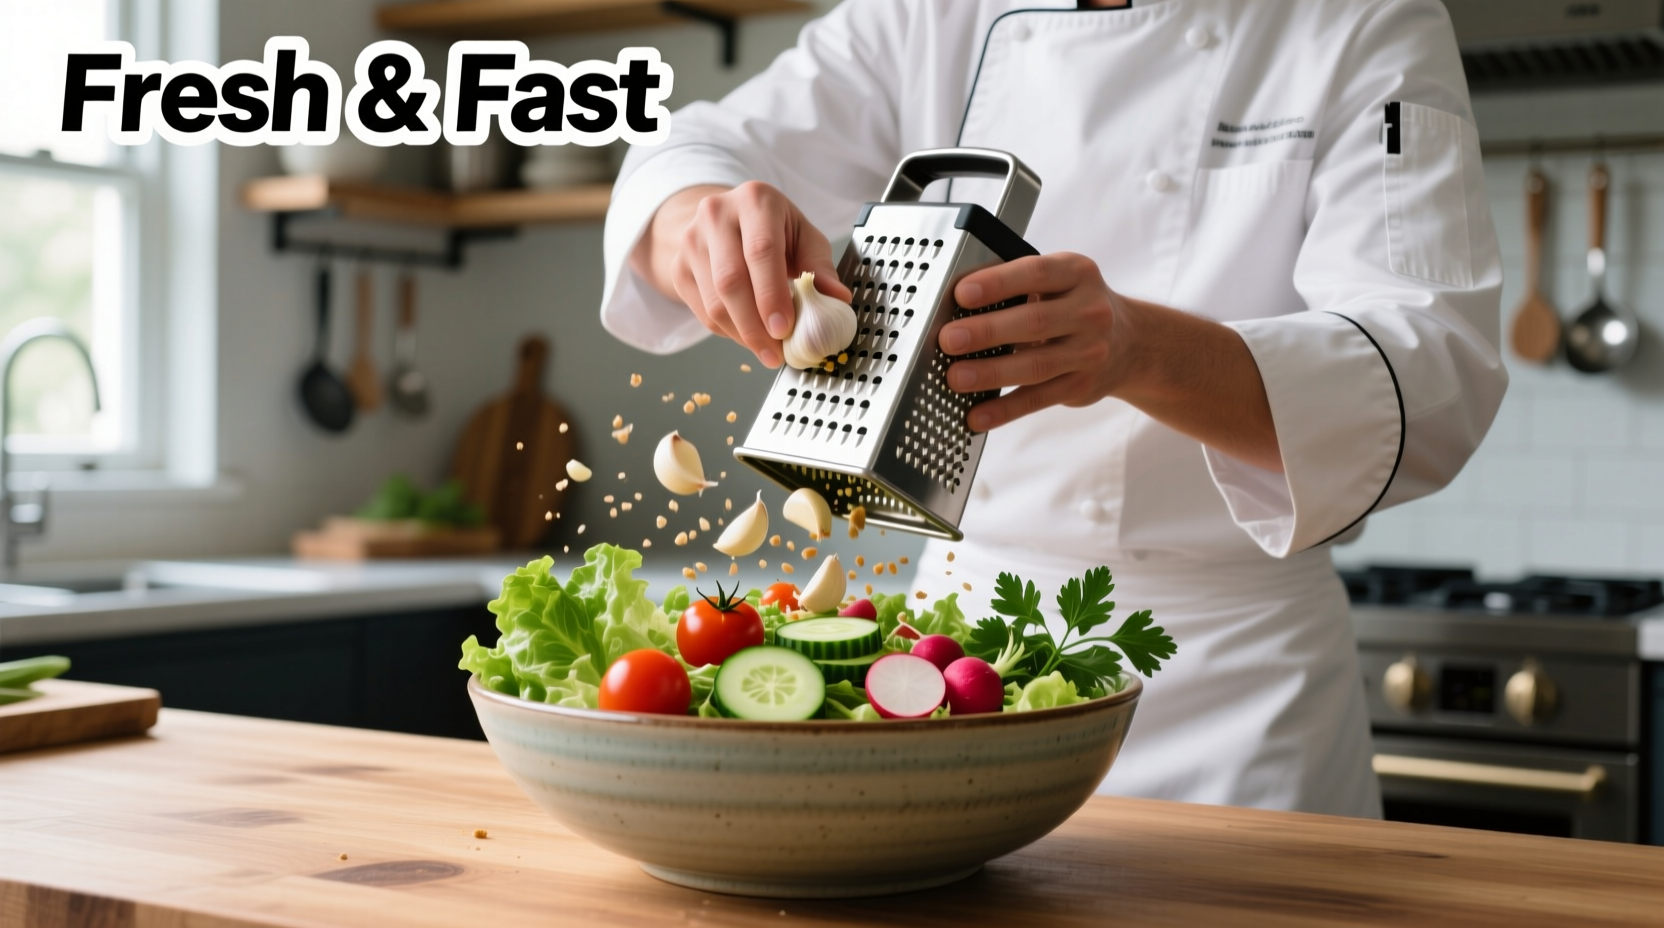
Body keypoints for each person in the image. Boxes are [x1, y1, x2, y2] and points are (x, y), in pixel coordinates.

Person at [597, 0, 1507, 818]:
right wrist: (702, 221)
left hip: (1236, 687)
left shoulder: (1361, 19)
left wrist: (1138, 348)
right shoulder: (926, 17)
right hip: (962, 658)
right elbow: (688, 152)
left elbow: (1432, 375)